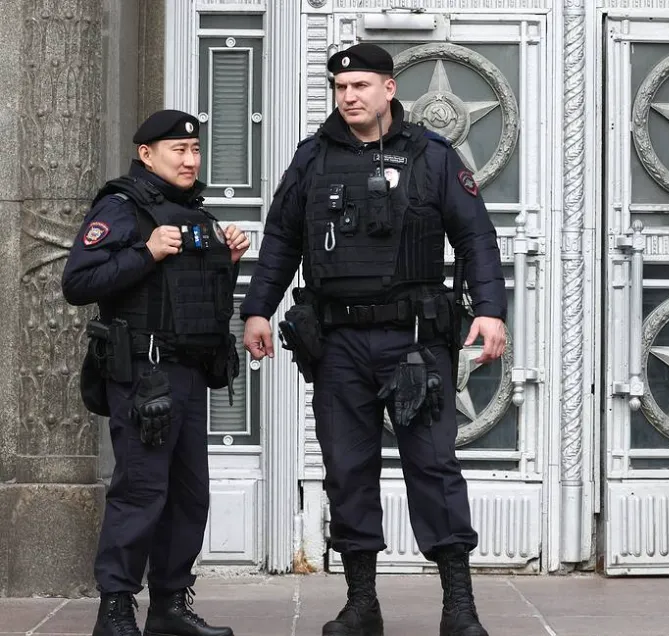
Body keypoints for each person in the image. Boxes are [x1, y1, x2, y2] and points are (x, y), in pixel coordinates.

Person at [241, 43, 507, 636]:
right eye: (341, 88)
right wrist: (257, 310)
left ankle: (459, 608)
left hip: (415, 342)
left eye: (360, 86)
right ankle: (362, 605)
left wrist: (490, 311)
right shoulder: (313, 158)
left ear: (389, 88)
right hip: (338, 345)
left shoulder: (432, 156)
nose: (349, 97)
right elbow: (281, 238)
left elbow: (476, 237)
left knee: (433, 467)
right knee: (347, 469)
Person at [62, 109, 250, 636]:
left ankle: (168, 607)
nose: (191, 160)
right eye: (179, 151)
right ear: (146, 155)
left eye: (196, 150)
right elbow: (78, 282)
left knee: (190, 496)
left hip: (188, 373)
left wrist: (230, 259)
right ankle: (115, 609)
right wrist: (145, 252)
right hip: (144, 376)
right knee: (141, 492)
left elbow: (195, 299)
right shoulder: (121, 208)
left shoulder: (195, 213)